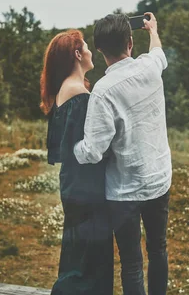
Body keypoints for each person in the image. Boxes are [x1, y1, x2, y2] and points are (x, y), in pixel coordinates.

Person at [74, 12, 171, 295]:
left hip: (124, 191)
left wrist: (72, 149)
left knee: (131, 263)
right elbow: (158, 52)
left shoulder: (102, 92)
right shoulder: (150, 68)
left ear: (100, 49)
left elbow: (92, 151)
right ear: (130, 42)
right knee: (159, 249)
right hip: (158, 179)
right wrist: (152, 30)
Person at [39, 29, 114, 295]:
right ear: (77, 53)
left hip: (74, 184)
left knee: (77, 254)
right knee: (92, 261)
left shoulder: (65, 90)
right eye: (86, 46)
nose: (91, 51)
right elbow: (94, 146)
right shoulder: (79, 95)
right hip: (88, 187)